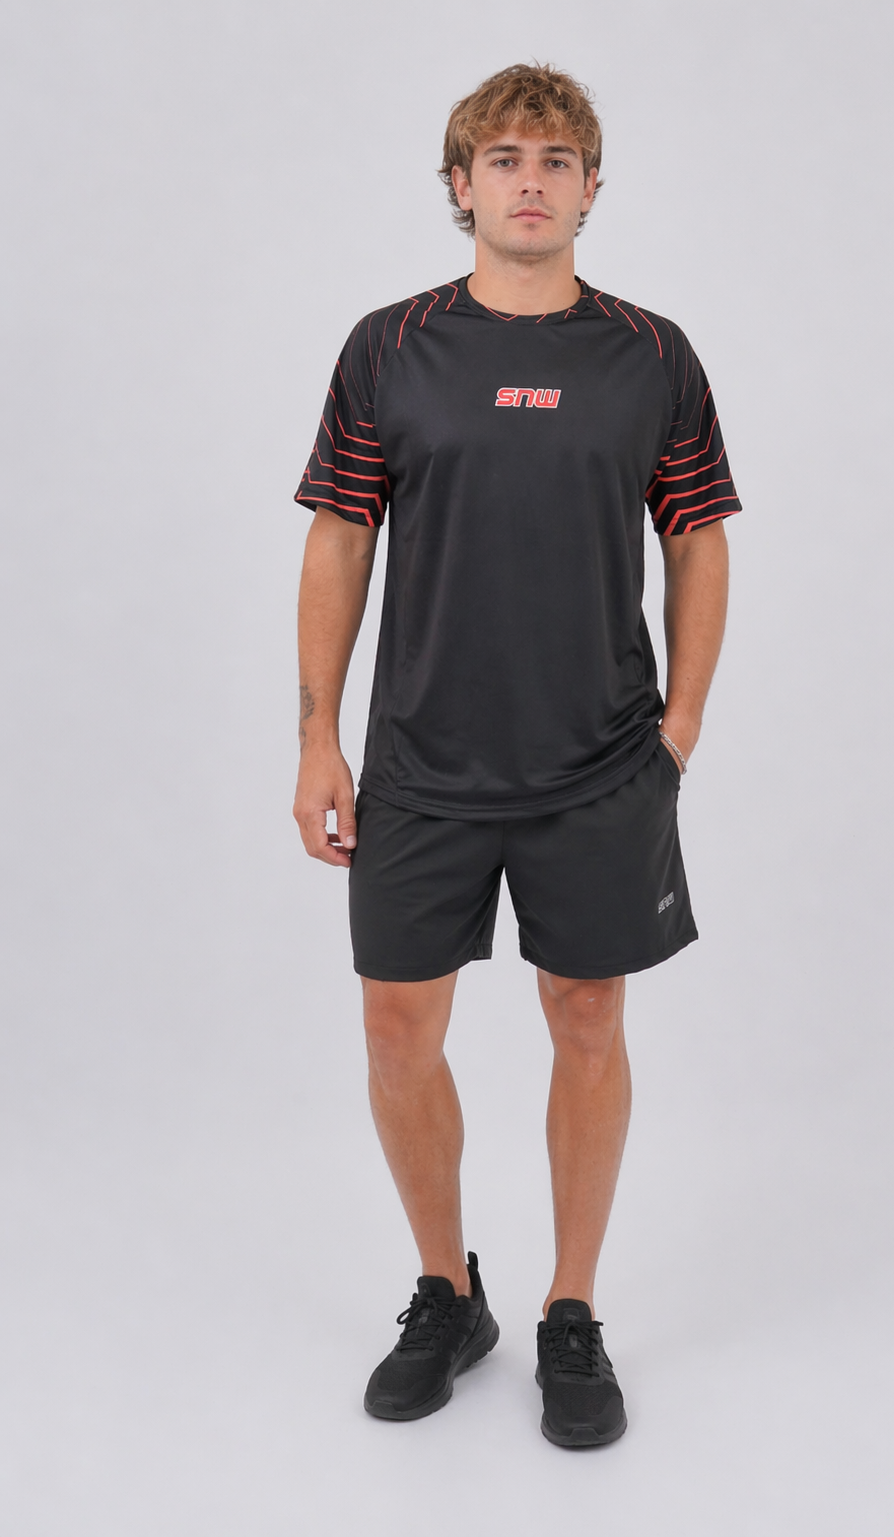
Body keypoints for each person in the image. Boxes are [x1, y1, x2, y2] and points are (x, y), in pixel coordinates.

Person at [292, 62, 740, 1448]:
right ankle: (448, 1290)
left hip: (599, 760)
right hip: (421, 760)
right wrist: (317, 734)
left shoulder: (652, 355)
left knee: (587, 1019)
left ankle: (571, 1309)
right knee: (395, 1028)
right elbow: (341, 537)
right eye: (503, 159)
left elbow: (697, 537)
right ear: (460, 185)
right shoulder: (390, 348)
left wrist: (680, 723)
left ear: (592, 187)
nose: (529, 182)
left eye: (555, 160)